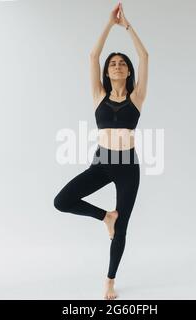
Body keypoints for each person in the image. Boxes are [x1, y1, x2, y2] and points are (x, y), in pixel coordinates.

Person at [53, 2, 149, 300]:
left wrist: (128, 26)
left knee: (123, 227)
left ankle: (109, 280)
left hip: (127, 166)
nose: (117, 65)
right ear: (107, 73)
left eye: (122, 63)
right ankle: (105, 217)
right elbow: (93, 55)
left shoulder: (137, 96)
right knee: (62, 200)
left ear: (128, 70)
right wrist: (110, 24)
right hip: (103, 162)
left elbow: (145, 56)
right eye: (113, 64)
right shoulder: (98, 95)